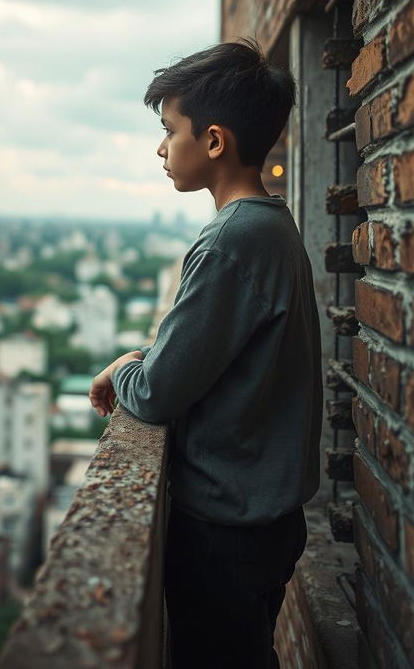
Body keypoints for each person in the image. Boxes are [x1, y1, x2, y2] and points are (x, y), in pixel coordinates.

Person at [89, 38, 322, 669]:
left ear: (214, 141)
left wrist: (127, 366)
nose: (161, 149)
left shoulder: (231, 241)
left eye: (170, 130)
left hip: (228, 527)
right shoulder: (271, 224)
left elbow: (160, 389)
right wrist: (147, 358)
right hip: (260, 518)